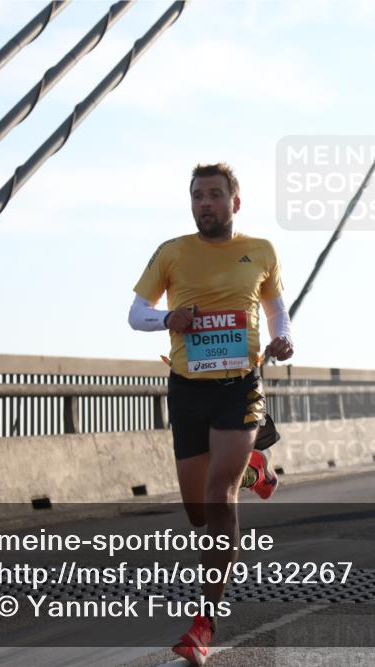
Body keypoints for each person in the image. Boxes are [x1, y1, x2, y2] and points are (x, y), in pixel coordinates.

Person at [128, 163, 293, 665]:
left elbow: (275, 308)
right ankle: (254, 470)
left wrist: (284, 337)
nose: (205, 203)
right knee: (199, 512)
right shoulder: (171, 252)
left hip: (239, 388)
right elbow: (136, 313)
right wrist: (166, 319)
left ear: (234, 203)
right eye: (198, 195)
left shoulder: (260, 250)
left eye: (215, 195)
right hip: (187, 390)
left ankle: (203, 624)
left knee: (218, 500)